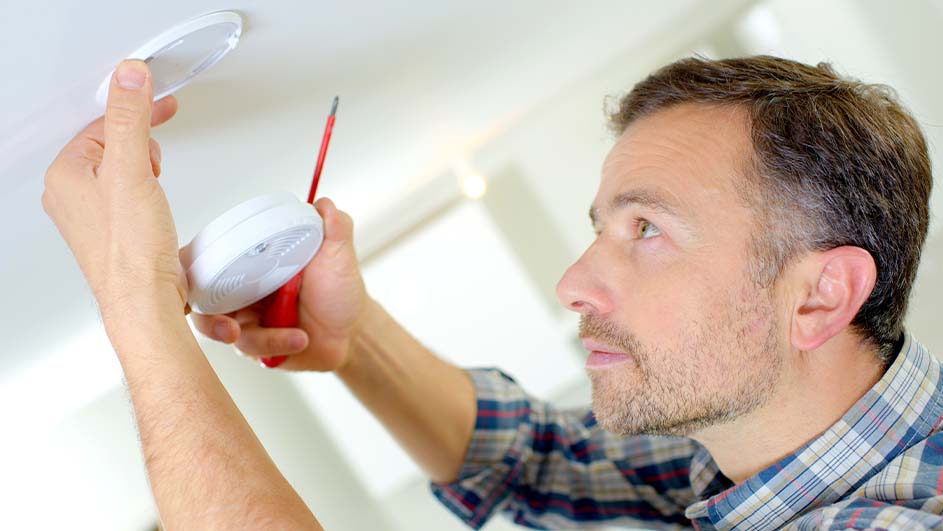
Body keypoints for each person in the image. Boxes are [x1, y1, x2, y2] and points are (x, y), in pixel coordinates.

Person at [42, 54, 939, 530]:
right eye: (601, 227)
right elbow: (539, 459)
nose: (573, 282)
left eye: (647, 230)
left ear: (819, 297)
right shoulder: (753, 442)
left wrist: (136, 304)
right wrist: (357, 344)